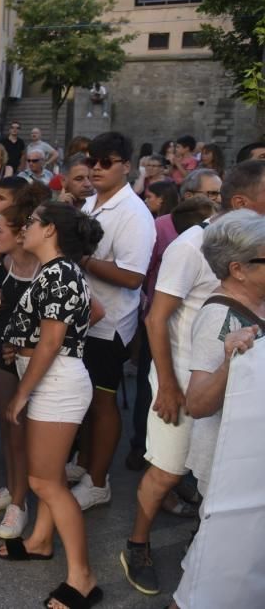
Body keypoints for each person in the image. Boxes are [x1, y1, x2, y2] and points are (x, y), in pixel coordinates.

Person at [119, 183, 234, 597]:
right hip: (182, 382)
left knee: (221, 474)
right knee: (168, 470)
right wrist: (166, 385)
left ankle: (203, 544)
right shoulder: (191, 246)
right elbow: (156, 318)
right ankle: (137, 543)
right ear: (242, 203)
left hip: (232, 385)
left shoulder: (252, 243)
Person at [0, 201, 105, 609]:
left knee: (46, 483)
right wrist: (21, 345)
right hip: (52, 378)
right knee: (50, 473)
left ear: (51, 230)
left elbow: (53, 341)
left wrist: (22, 393)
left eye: (32, 222)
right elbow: (94, 311)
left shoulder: (59, 272)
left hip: (54, 385)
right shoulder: (59, 272)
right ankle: (41, 540)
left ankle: (83, 577)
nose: (25, 227)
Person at [172, 210, 264, 609]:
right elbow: (198, 403)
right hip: (229, 465)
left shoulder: (257, 304)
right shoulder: (219, 318)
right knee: (216, 567)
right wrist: (231, 361)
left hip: (250, 459)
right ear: (238, 269)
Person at [70, 133, 156, 511]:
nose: (97, 168)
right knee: (85, 399)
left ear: (127, 165)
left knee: (103, 403)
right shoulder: (89, 204)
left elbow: (133, 276)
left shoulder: (134, 214)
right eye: (93, 161)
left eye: (107, 161)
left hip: (110, 324)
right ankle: (86, 463)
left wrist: (83, 258)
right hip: (82, 318)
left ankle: (99, 482)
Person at [0, 183, 51, 540]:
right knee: (7, 430)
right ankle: (12, 487)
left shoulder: (47, 270)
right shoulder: (4, 264)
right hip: (5, 361)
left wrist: (27, 345)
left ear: (22, 234)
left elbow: (91, 314)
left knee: (22, 435)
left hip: (39, 369)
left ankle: (20, 504)